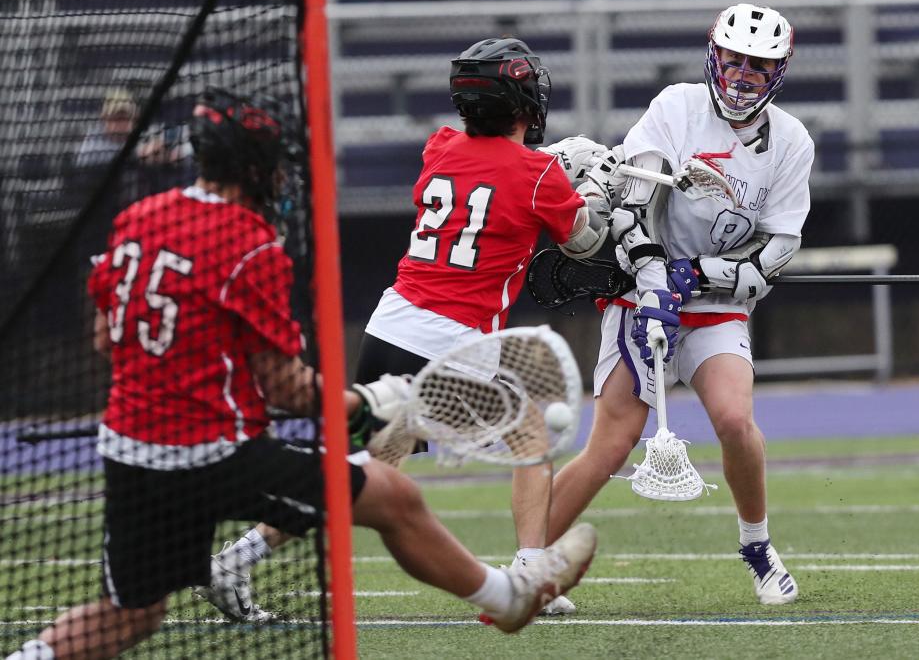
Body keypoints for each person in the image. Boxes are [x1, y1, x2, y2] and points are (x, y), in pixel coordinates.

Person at [4, 87, 598, 660]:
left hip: (134, 445)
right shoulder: (248, 241)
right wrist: (365, 403)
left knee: (133, 612)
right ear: (255, 167)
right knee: (495, 446)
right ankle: (519, 581)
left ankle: (234, 562)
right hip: (221, 444)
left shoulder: (142, 215)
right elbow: (285, 388)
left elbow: (106, 338)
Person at [202, 37, 614, 621]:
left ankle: (236, 558)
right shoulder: (541, 173)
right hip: (454, 340)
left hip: (391, 322)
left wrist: (561, 179)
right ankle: (528, 572)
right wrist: (598, 189)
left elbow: (493, 182)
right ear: (523, 99)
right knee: (534, 428)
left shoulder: (441, 146)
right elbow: (585, 240)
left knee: (357, 472)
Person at [544, 3, 813, 606]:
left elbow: (776, 251)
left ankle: (757, 545)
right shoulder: (675, 107)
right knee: (611, 445)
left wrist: (695, 274)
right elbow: (633, 203)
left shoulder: (792, 141)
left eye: (759, 65)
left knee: (735, 421)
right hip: (642, 295)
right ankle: (526, 563)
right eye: (734, 59)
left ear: (780, 72)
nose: (743, 75)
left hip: (713, 302)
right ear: (713, 56)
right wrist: (653, 276)